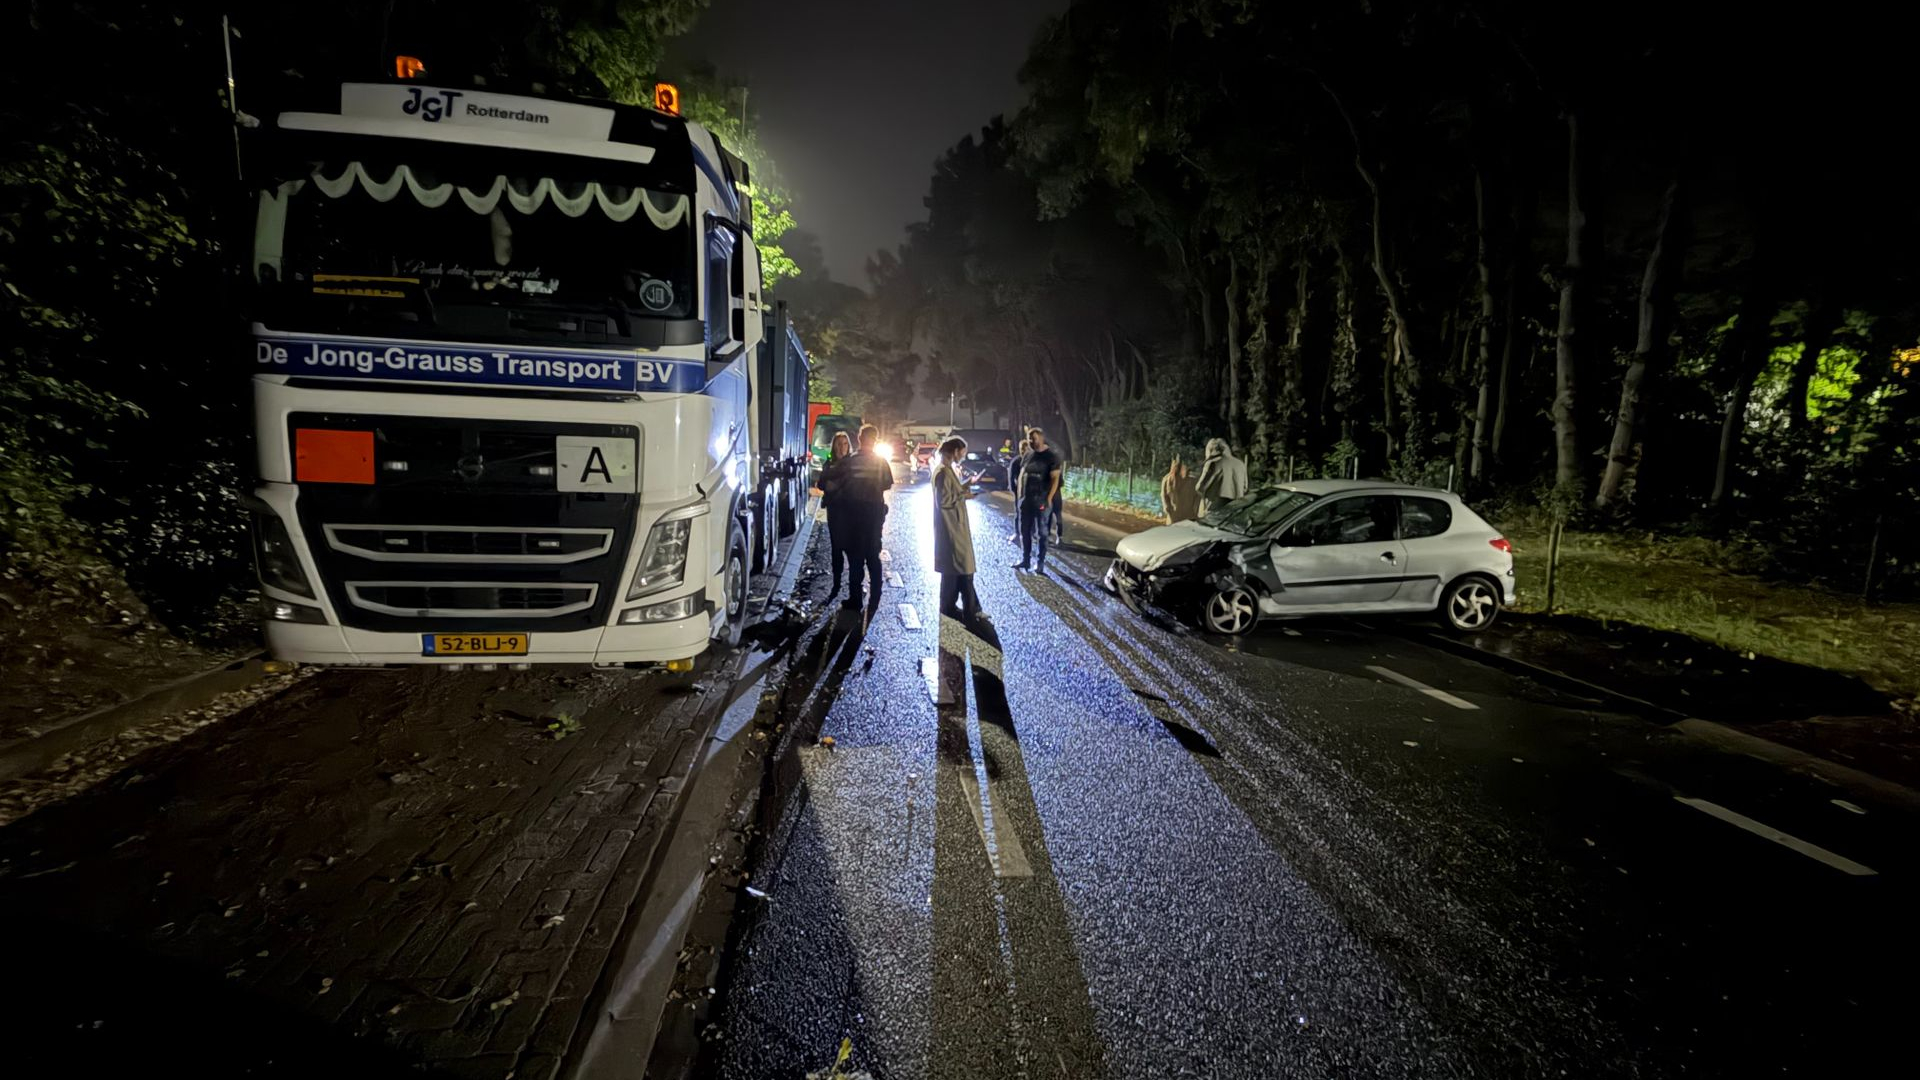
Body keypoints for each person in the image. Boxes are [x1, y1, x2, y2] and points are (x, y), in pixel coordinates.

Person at [834, 424, 894, 610]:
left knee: (855, 557)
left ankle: (855, 598)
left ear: (860, 439)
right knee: (873, 555)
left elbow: (840, 484)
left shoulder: (850, 461)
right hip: (874, 515)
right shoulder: (881, 462)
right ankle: (875, 596)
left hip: (853, 515)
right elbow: (887, 484)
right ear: (875, 440)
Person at [933, 436, 986, 623]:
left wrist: (965, 486)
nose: (962, 456)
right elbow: (944, 501)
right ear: (955, 451)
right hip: (951, 527)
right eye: (962, 452)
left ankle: (958, 607)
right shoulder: (943, 473)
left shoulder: (946, 471)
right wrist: (965, 496)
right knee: (961, 568)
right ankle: (968, 610)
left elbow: (951, 493)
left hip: (954, 526)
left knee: (957, 570)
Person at [1012, 428, 1063, 572]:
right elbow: (1022, 475)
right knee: (1025, 531)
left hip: (1042, 501)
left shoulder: (1051, 457)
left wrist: (1048, 499)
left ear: (1041, 438)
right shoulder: (1028, 455)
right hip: (1026, 501)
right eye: (1029, 439)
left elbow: (1055, 480)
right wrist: (1020, 497)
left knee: (1042, 533)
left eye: (1033, 439)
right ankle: (1025, 560)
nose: (1031, 442)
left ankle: (1040, 563)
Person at [815, 431, 855, 598]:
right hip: (835, 510)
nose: (841, 447)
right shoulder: (829, 463)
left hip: (850, 511)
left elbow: (852, 484)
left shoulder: (852, 463)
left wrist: (834, 483)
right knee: (836, 548)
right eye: (839, 444)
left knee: (853, 549)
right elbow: (822, 483)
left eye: (845, 444)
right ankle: (837, 583)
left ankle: (855, 586)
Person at [1195, 438, 1249, 517]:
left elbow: (1199, 487)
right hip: (1236, 512)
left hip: (1214, 511)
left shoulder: (1212, 463)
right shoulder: (1240, 464)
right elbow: (1245, 488)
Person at [1160, 455, 1200, 523]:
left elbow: (1198, 496)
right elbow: (1163, 495)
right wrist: (1166, 506)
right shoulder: (1167, 479)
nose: (1186, 469)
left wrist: (1196, 509)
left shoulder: (1194, 481)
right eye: (1184, 467)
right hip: (1173, 517)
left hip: (1189, 517)